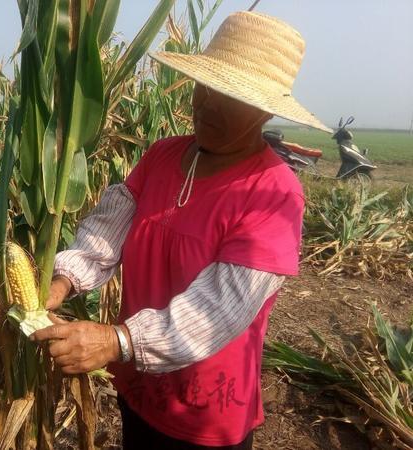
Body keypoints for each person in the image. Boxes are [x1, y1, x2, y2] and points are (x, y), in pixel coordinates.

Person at [31, 11, 331, 450]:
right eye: (204, 86)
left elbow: (218, 309)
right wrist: (61, 281)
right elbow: (107, 231)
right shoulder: (163, 156)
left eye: (229, 96)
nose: (207, 104)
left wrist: (117, 341)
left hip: (204, 414)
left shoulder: (274, 192)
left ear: (266, 110)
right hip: (138, 387)